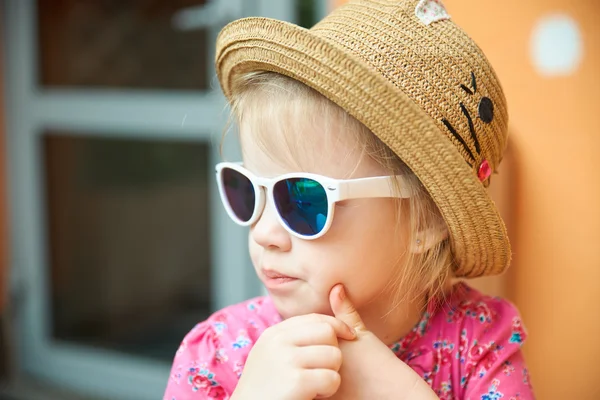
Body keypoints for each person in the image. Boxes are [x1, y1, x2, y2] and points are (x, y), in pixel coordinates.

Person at [164, 0, 535, 398]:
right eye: (247, 191)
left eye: (302, 198)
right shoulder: (219, 354)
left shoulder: (478, 347)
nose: (264, 233)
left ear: (426, 221)